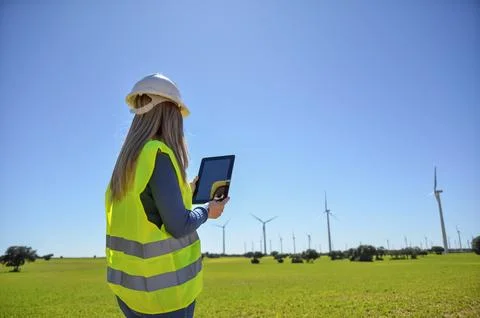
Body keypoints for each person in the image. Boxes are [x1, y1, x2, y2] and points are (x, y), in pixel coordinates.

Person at [105, 73, 230, 317]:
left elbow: (149, 206)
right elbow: (179, 224)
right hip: (165, 298)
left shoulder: (127, 163)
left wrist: (188, 189)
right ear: (170, 113)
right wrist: (207, 211)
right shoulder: (159, 155)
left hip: (131, 293)